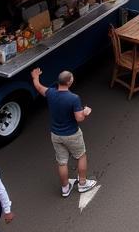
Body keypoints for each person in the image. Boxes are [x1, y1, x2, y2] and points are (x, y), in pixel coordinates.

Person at [29, 68, 96, 197]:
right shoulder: (74, 98)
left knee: (62, 162)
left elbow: (38, 87)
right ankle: (82, 183)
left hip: (56, 135)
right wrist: (85, 112)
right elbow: (79, 118)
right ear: (69, 82)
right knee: (81, 156)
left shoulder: (51, 93)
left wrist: (35, 76)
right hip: (72, 134)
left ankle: (65, 187)